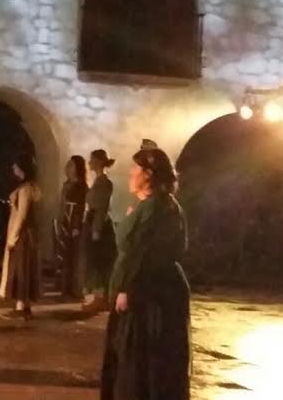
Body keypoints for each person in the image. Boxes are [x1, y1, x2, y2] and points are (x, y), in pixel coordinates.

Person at [100, 146, 190, 400]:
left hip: (149, 293)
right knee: (139, 356)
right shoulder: (153, 205)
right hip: (154, 288)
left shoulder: (155, 207)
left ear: (148, 174)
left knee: (142, 356)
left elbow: (144, 251)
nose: (131, 173)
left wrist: (127, 289)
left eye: (135, 168)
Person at [0, 153, 42, 320]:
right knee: (25, 269)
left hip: (22, 237)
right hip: (27, 235)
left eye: (16, 165)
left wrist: (13, 237)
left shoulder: (25, 190)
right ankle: (25, 306)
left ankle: (20, 307)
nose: (13, 168)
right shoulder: (30, 187)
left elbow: (22, 216)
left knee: (21, 270)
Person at [84, 149, 118, 311]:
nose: (89, 162)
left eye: (92, 159)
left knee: (99, 260)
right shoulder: (98, 181)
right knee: (95, 260)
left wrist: (96, 229)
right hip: (93, 221)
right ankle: (99, 296)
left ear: (98, 162)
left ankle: (101, 297)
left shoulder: (105, 182)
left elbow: (101, 208)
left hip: (99, 225)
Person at [57, 155, 89, 300]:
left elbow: (81, 207)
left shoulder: (81, 186)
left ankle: (74, 290)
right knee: (64, 256)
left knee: (74, 257)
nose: (67, 168)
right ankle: (65, 289)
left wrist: (76, 226)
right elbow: (62, 205)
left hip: (74, 225)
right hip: (65, 222)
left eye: (71, 165)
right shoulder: (66, 185)